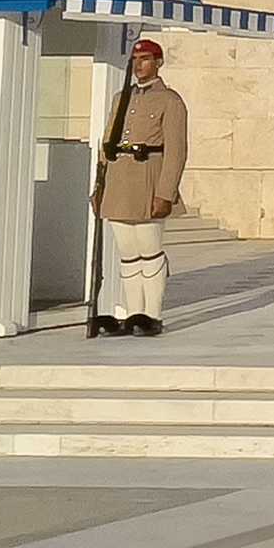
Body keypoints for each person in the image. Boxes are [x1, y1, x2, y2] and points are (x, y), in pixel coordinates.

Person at [90, 37, 189, 338]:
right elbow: (108, 144)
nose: (139, 65)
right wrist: (100, 185)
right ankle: (134, 312)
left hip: (149, 177)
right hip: (120, 179)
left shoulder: (170, 100)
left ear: (158, 62)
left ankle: (152, 315)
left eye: (146, 59)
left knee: (149, 249)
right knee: (128, 252)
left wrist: (166, 192)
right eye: (135, 59)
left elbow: (176, 150)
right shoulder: (121, 99)